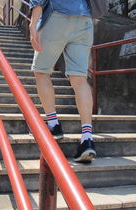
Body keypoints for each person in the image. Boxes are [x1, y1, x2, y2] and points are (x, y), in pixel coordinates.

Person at [29, 0, 97, 163]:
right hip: (84, 19)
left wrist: (33, 25)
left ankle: (53, 124)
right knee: (80, 79)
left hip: (57, 16)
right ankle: (87, 138)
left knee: (42, 72)